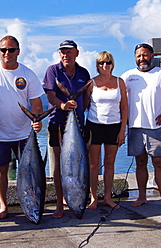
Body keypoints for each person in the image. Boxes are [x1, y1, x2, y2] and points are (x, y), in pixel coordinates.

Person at [0, 35, 44, 219]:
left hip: (24, 133)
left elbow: (36, 103)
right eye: (3, 50)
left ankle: (29, 204)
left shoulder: (28, 74)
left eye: (11, 49)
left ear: (18, 51)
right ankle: (3, 206)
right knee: (1, 170)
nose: (7, 53)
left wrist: (37, 119)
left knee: (29, 172)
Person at [121, 43, 161, 212]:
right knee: (140, 163)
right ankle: (142, 197)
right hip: (134, 127)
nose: (142, 58)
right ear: (135, 57)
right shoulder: (127, 76)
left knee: (159, 164)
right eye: (138, 56)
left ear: (152, 56)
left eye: (145, 55)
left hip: (155, 128)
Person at [42, 40, 90, 218]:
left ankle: (73, 200)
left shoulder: (83, 73)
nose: (65, 55)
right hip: (57, 122)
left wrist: (80, 106)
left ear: (76, 53)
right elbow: (50, 95)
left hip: (77, 123)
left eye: (69, 52)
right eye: (62, 52)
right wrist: (63, 106)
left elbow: (86, 99)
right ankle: (59, 204)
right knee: (59, 163)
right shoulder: (52, 70)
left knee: (79, 163)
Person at [84, 51, 128, 209]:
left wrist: (122, 130)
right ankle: (93, 198)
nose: (105, 66)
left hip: (114, 126)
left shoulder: (119, 82)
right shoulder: (91, 83)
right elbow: (85, 106)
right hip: (94, 126)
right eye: (101, 63)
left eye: (108, 63)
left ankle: (108, 198)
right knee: (93, 164)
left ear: (112, 65)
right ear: (97, 66)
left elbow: (124, 107)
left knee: (110, 163)